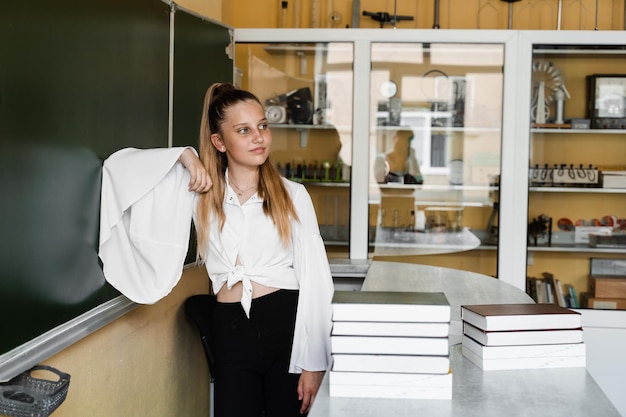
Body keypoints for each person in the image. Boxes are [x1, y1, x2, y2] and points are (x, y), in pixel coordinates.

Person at [99, 82, 334, 416]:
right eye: (244, 130)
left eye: (262, 126)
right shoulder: (199, 189)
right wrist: (183, 156)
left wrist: (315, 362)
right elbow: (118, 168)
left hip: (287, 326)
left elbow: (317, 281)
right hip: (230, 328)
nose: (259, 137)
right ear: (219, 142)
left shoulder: (292, 195)